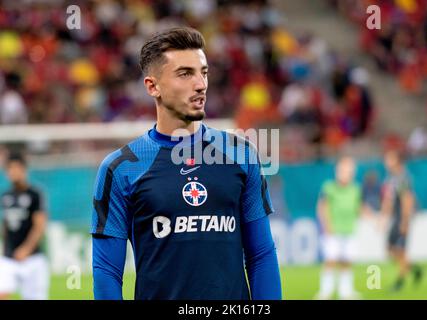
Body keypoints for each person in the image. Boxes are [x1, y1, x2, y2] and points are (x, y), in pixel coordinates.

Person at [91, 27, 282, 300]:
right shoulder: (122, 168)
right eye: (185, 73)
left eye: (203, 72)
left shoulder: (241, 155)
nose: (201, 84)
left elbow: (261, 254)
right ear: (152, 86)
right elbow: (107, 271)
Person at [0, 152, 49, 300]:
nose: (13, 172)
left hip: (33, 258)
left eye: (16, 168)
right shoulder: (5, 196)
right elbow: (6, 226)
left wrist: (26, 249)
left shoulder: (35, 194)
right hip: (9, 258)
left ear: (24, 170)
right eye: (10, 169)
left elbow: (39, 226)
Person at [316, 156, 362, 300]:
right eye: (343, 169)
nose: (346, 173)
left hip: (349, 229)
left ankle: (346, 291)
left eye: (349, 170)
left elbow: (358, 207)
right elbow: (322, 207)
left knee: (347, 261)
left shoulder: (356, 189)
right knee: (330, 260)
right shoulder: (329, 187)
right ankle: (325, 291)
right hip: (333, 230)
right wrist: (326, 226)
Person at [381, 150, 422, 292]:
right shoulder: (391, 177)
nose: (386, 161)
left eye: (389, 158)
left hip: (402, 218)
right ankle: (414, 268)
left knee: (400, 250)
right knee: (390, 249)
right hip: (396, 217)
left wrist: (405, 221)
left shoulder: (403, 177)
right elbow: (389, 199)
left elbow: (407, 199)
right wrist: (384, 217)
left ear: (397, 160)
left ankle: (400, 282)